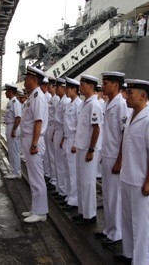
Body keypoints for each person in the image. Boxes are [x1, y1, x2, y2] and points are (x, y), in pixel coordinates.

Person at [117, 79, 149, 265]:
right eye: (126, 92)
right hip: (127, 176)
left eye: (130, 93)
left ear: (143, 96)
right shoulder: (132, 116)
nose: (126, 96)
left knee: (141, 224)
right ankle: (128, 254)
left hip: (141, 180)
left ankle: (141, 260)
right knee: (127, 219)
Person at [95, 71, 127, 246]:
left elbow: (124, 134)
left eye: (106, 83)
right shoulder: (108, 103)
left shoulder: (121, 105)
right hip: (107, 155)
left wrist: (120, 161)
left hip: (116, 158)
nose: (103, 86)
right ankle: (109, 228)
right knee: (107, 194)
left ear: (115, 85)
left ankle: (117, 233)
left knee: (115, 196)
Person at [71, 74, 103, 226]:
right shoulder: (85, 103)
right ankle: (83, 212)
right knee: (81, 182)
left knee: (88, 183)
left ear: (91, 86)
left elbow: (97, 129)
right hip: (81, 147)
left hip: (88, 149)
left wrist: (91, 149)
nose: (80, 87)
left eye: (83, 84)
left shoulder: (94, 104)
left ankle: (90, 216)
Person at [19, 66, 49, 223]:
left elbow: (38, 122)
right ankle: (35, 208)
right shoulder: (32, 96)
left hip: (34, 140)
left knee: (37, 177)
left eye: (26, 78)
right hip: (29, 139)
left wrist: (34, 144)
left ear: (33, 79)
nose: (24, 80)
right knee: (33, 176)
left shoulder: (38, 97)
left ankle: (41, 212)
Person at [61, 77, 82, 210]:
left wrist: (76, 143)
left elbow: (80, 126)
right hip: (67, 139)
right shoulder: (69, 103)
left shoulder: (79, 104)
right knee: (67, 170)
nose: (66, 90)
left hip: (73, 140)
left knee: (73, 172)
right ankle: (69, 196)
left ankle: (74, 200)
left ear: (74, 89)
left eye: (68, 88)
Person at [52, 77, 70, 202]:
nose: (55, 89)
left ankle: (63, 191)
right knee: (58, 161)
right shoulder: (60, 101)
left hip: (63, 132)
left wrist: (63, 137)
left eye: (58, 87)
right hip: (58, 131)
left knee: (62, 164)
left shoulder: (65, 102)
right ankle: (60, 189)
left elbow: (66, 122)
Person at [3, 84, 22, 178]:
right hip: (10, 126)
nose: (5, 93)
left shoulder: (15, 102)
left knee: (14, 151)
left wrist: (14, 130)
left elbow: (18, 117)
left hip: (13, 127)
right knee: (11, 150)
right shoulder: (11, 102)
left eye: (6, 91)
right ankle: (13, 170)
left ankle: (16, 172)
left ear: (10, 91)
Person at [44, 77, 58, 186]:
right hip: (49, 126)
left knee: (53, 156)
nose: (48, 87)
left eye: (49, 85)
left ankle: (54, 179)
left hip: (54, 126)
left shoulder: (56, 99)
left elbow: (58, 116)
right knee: (49, 154)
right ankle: (50, 175)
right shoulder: (51, 98)